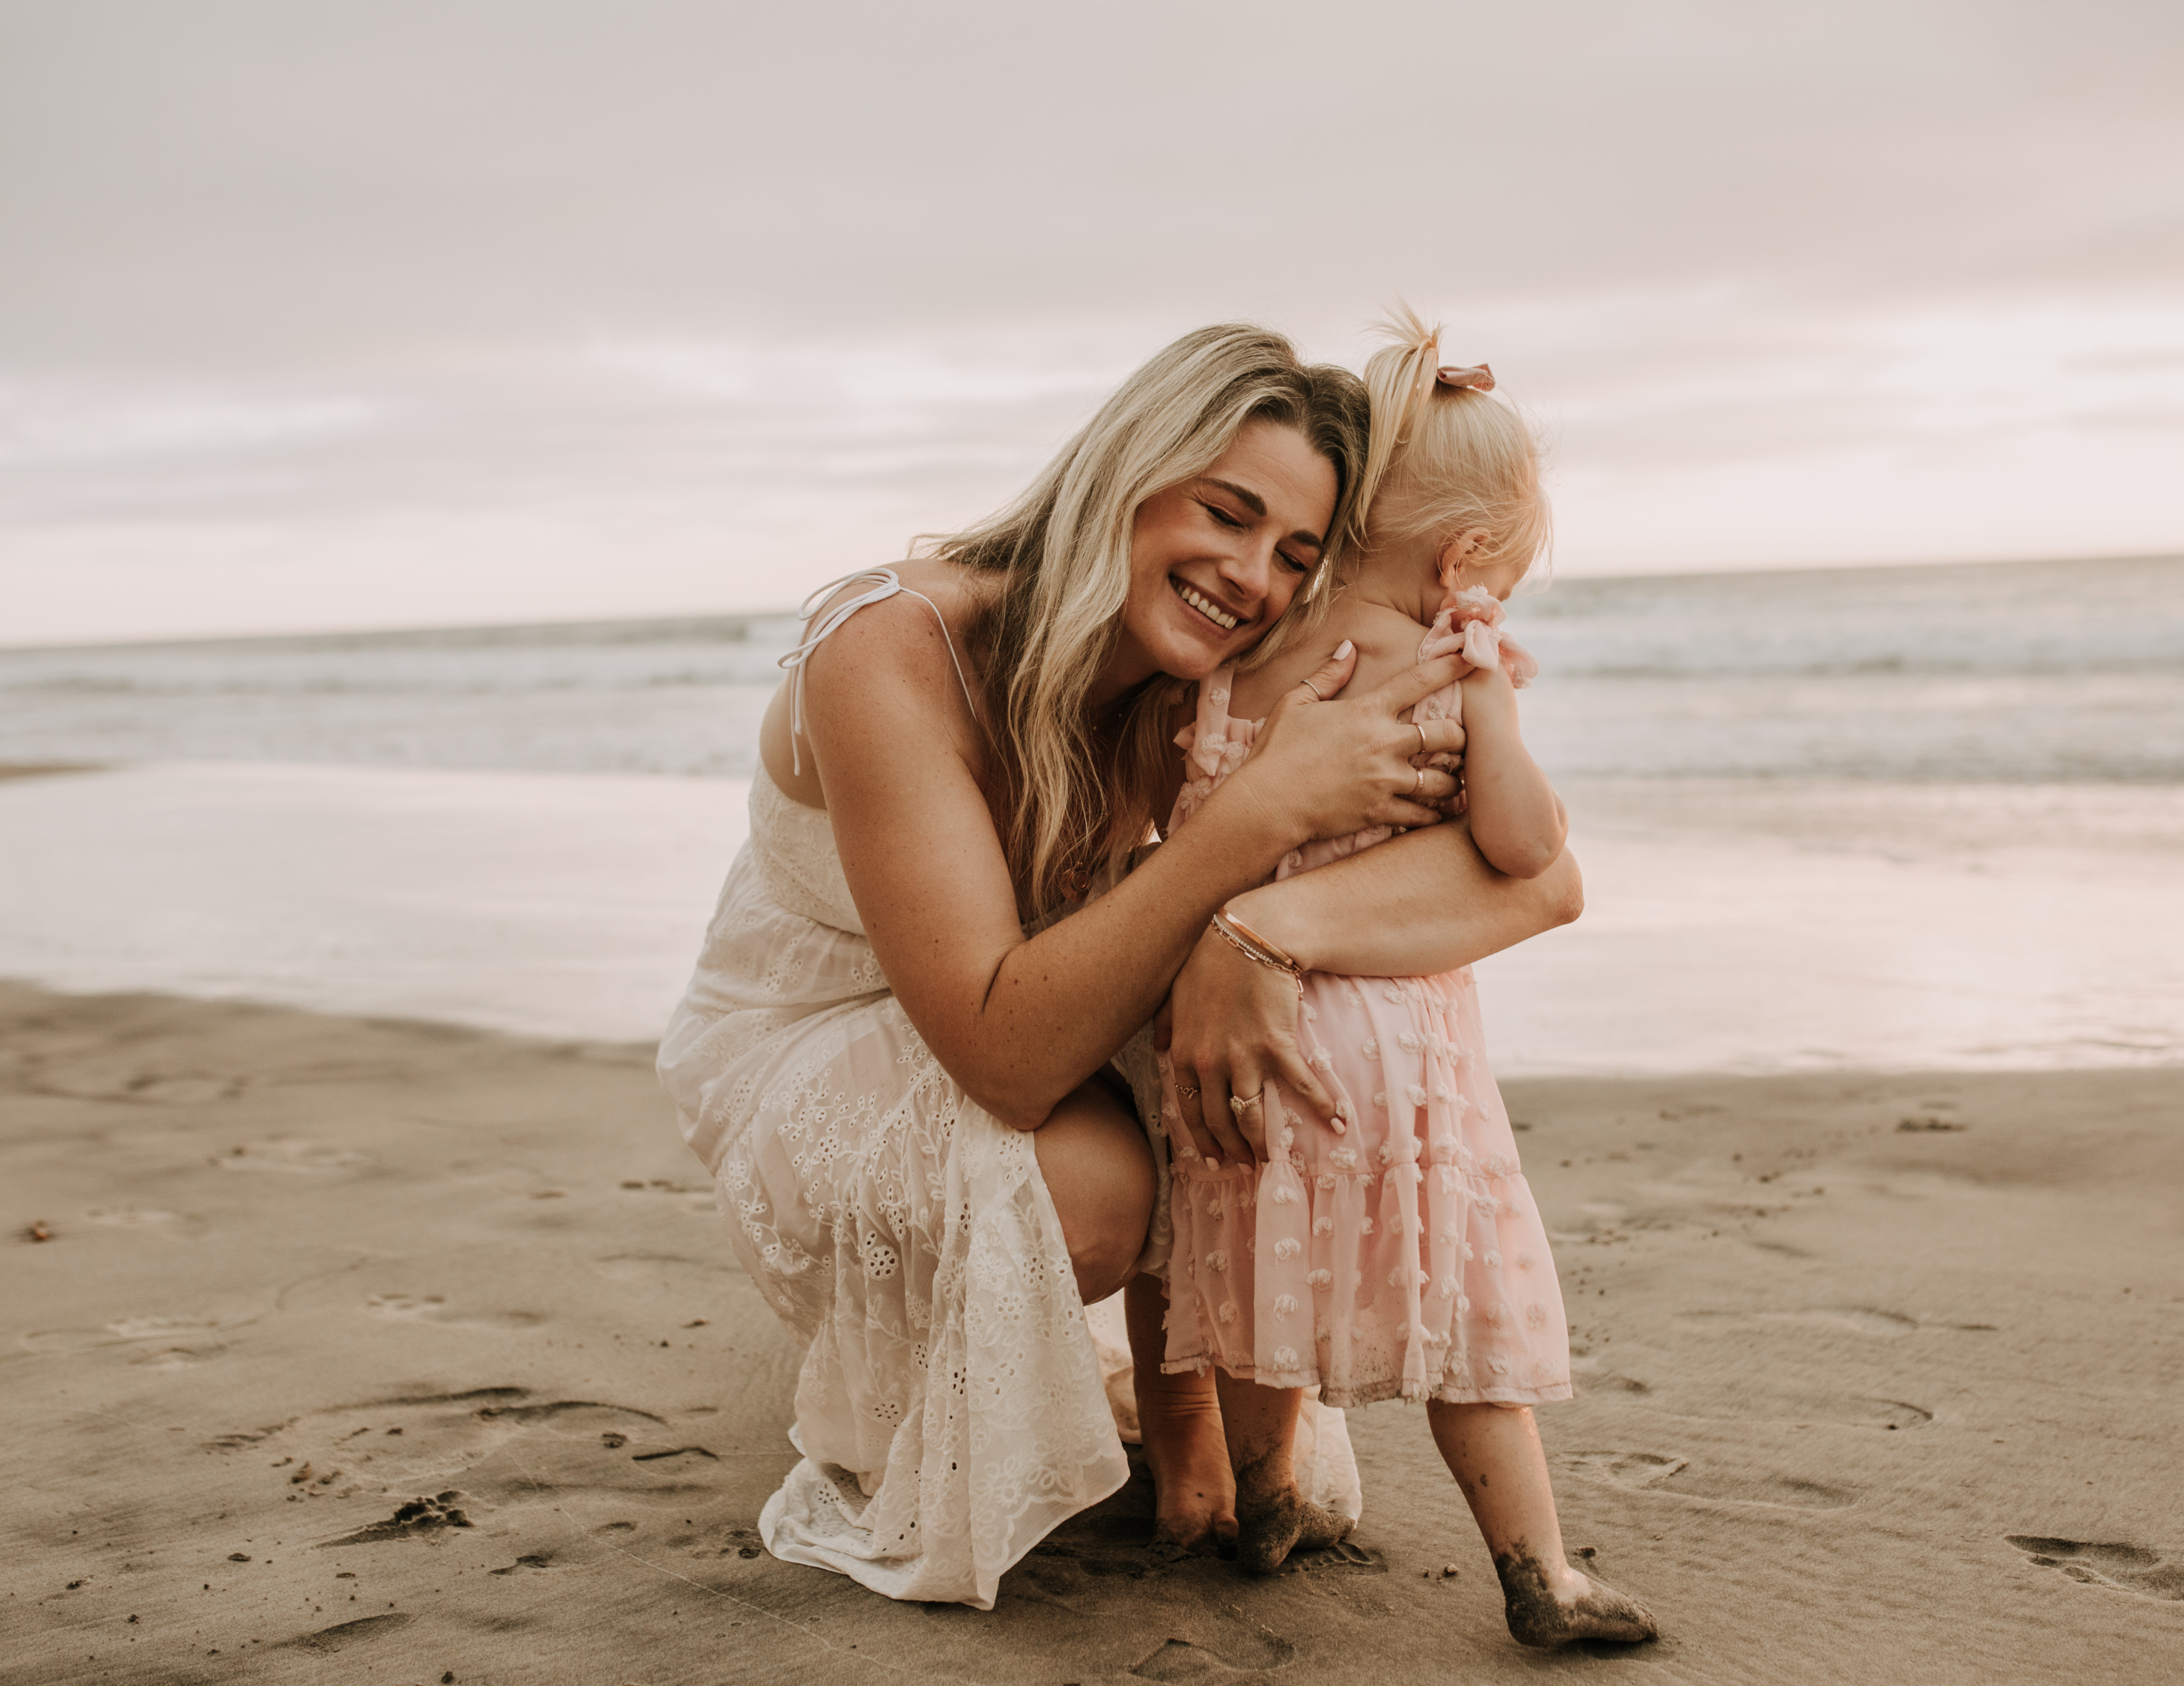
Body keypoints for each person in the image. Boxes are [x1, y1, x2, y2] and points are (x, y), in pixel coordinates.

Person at [657, 323, 1584, 1609]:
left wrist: (1263, 932)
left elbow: (1538, 878)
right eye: (1227, 511)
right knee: (1095, 1189)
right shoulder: (892, 647)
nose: (1251, 575)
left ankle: (1186, 1430)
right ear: (1129, 469)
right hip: (826, 1042)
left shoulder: (1200, 684)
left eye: (1299, 555)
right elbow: (1009, 1053)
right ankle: (932, 1375)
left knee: (1237, 1048)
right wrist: (1258, 826)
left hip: (1036, 1009)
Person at [1132, 310, 1656, 1648]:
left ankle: (1267, 1504)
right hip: (1396, 1043)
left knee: (1257, 1294)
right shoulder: (1444, 659)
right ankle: (1539, 1572)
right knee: (1465, 1318)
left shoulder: (1246, 656)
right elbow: (1525, 848)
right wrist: (1492, 691)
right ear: (1468, 558)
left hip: (1242, 1033)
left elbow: (1194, 832)